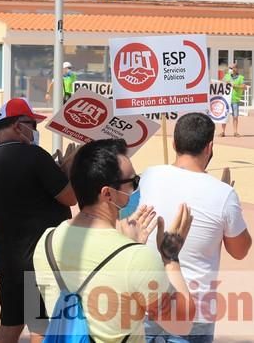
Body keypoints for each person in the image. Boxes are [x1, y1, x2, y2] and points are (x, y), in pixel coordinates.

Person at [33, 139, 195, 342]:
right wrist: (170, 259)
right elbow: (182, 322)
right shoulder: (136, 258)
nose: (136, 189)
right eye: (133, 182)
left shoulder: (47, 241)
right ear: (107, 193)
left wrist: (125, 245)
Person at [139, 113, 252, 343]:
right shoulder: (224, 194)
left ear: (174, 144)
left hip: (148, 301)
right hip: (194, 312)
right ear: (209, 147)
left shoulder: (149, 176)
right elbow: (240, 250)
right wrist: (232, 209)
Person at [0, 98, 77, 343]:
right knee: (40, 328)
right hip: (36, 259)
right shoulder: (33, 156)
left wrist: (57, 171)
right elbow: (70, 197)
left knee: (10, 324)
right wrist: (70, 170)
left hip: (8, 257)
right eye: (32, 124)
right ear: (17, 126)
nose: (35, 131)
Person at [221, 63, 247, 137]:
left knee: (235, 116)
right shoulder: (227, 76)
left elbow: (244, 87)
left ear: (236, 69)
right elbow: (221, 83)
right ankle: (223, 132)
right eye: (230, 68)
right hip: (226, 99)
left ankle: (235, 132)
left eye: (232, 68)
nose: (231, 69)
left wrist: (235, 85)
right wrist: (225, 82)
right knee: (224, 116)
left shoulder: (241, 78)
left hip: (235, 100)